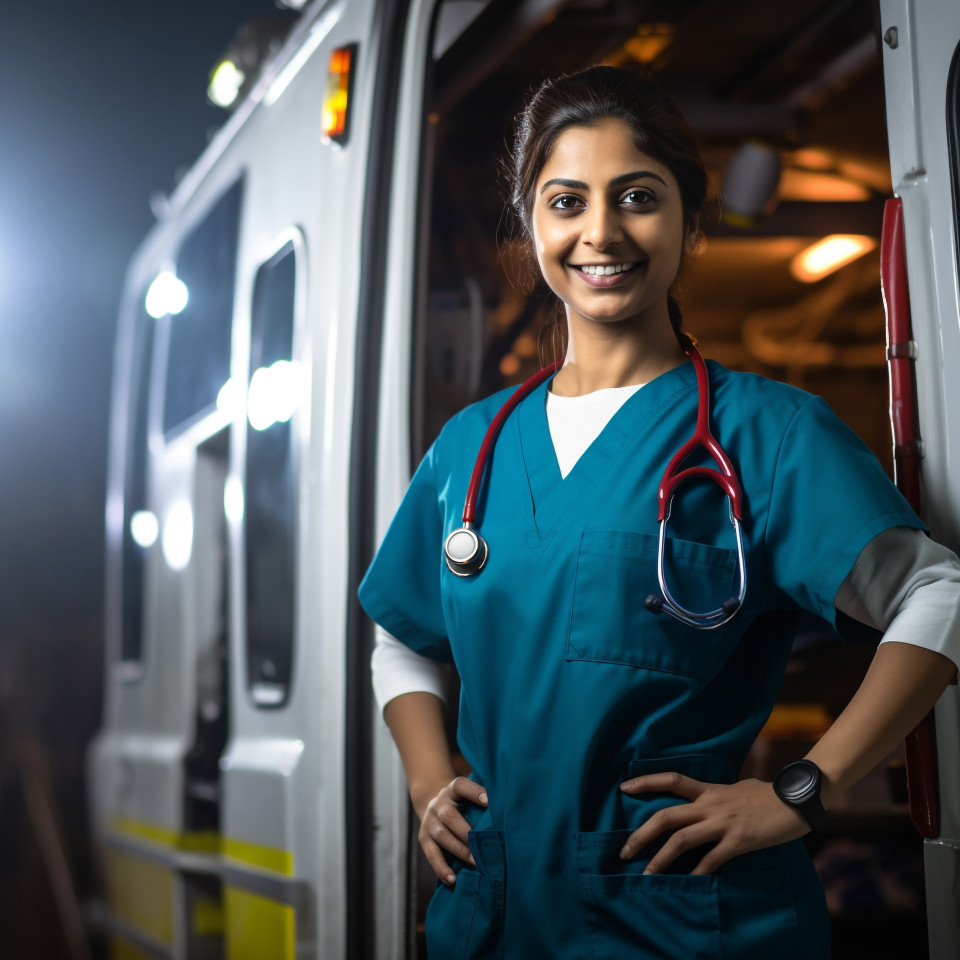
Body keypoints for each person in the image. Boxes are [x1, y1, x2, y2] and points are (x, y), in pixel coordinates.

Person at [358, 66, 960, 959]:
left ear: (690, 221)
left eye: (637, 197)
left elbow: (938, 596)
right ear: (531, 224)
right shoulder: (470, 447)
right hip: (493, 917)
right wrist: (426, 779)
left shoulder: (767, 433)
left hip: (681, 921)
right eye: (567, 202)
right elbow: (403, 632)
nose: (601, 232)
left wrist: (803, 789)